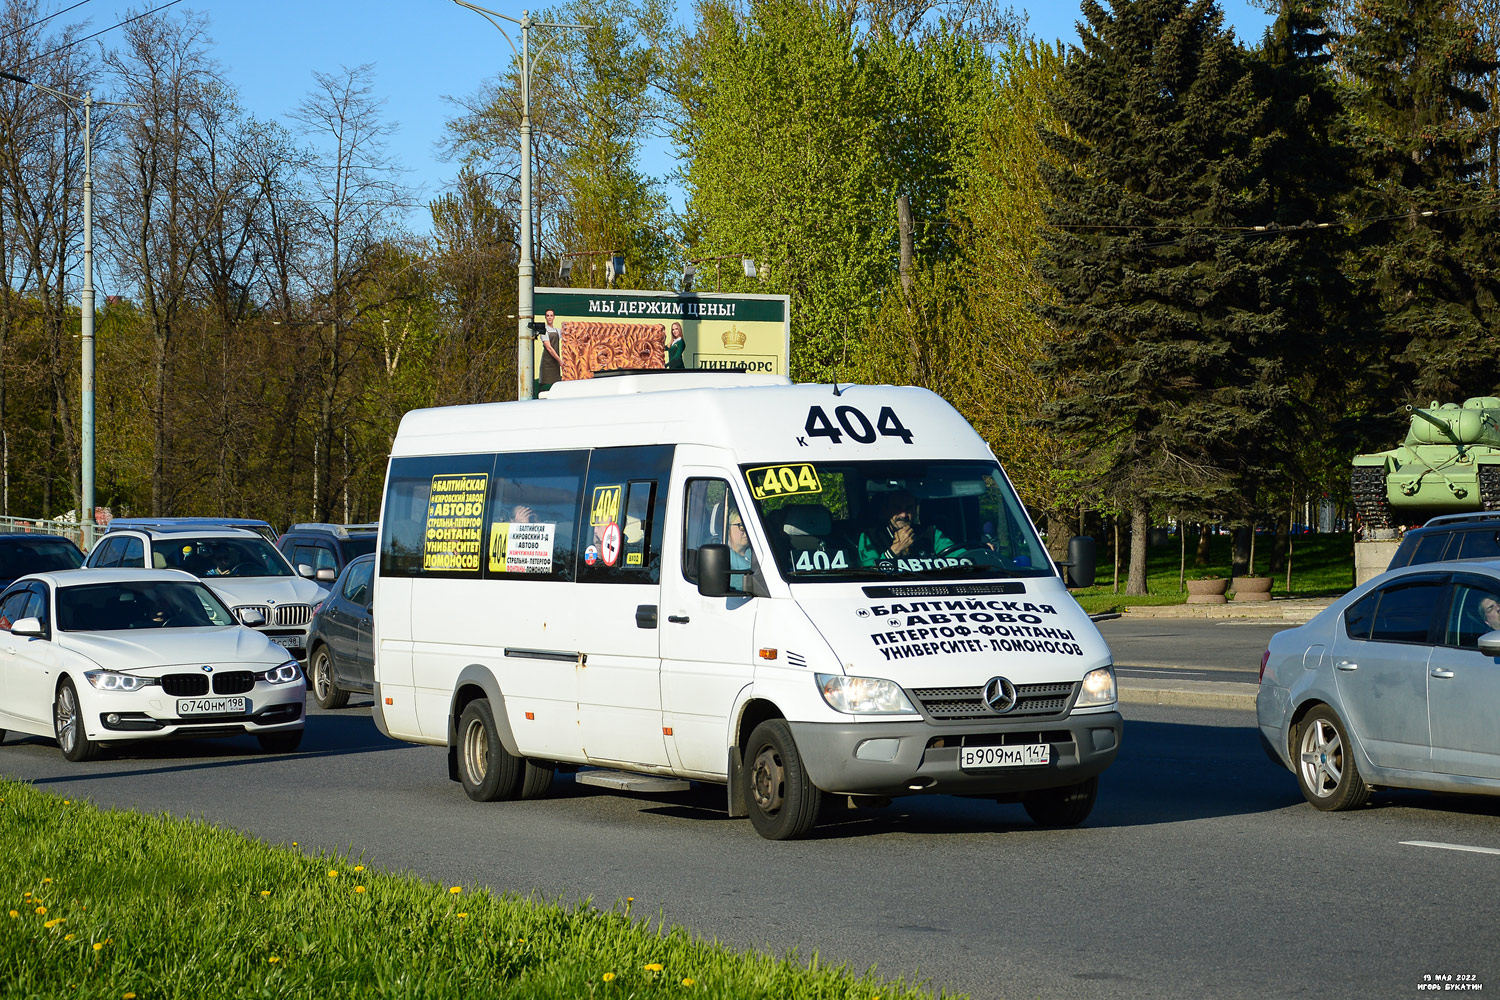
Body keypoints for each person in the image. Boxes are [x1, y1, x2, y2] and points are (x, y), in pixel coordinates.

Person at [857, 490, 952, 567]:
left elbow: (961, 557)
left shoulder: (931, 533)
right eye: (897, 508)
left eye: (909, 508)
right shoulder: (870, 537)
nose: (903, 514)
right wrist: (895, 550)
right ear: (886, 510)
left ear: (915, 510)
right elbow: (871, 572)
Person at [535, 309, 562, 392]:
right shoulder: (544, 331)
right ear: (545, 318)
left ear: (554, 317)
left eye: (551, 315)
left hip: (556, 362)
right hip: (547, 362)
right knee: (546, 384)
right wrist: (560, 361)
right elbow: (549, 348)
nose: (549, 317)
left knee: (556, 383)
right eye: (548, 316)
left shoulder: (558, 330)